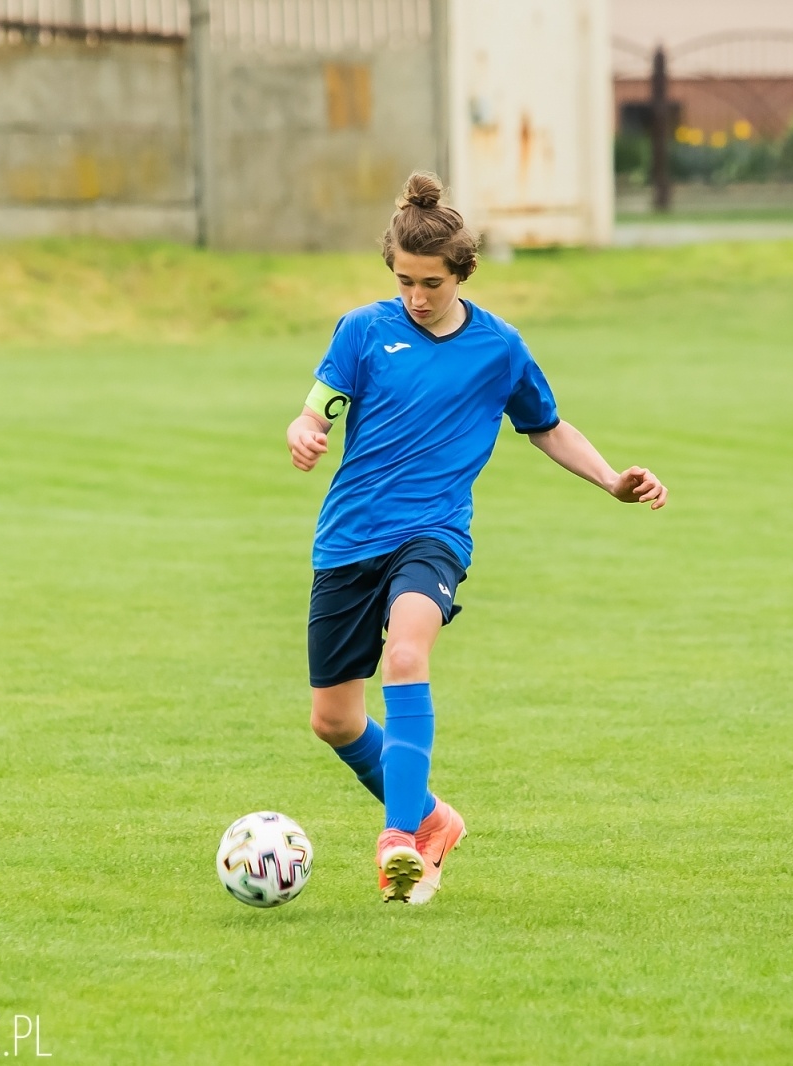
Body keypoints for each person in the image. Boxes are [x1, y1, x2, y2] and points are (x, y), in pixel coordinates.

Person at [287, 173, 668, 904]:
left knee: (406, 653)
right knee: (334, 720)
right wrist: (306, 429)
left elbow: (547, 427)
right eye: (404, 281)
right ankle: (434, 818)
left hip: (432, 535)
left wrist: (612, 480)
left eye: (431, 282)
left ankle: (400, 838)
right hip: (347, 539)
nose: (417, 297)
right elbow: (319, 409)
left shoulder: (499, 349)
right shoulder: (362, 331)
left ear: (461, 272)